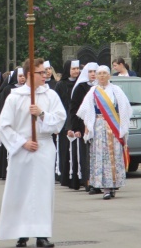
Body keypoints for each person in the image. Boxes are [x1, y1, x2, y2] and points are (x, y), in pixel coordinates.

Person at [0, 58, 66, 248]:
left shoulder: (50, 96)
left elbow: (60, 121)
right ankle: (21, 233)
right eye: (41, 72)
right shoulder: (14, 97)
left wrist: (42, 114)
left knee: (42, 192)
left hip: (44, 148)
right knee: (21, 191)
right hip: (21, 151)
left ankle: (41, 234)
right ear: (29, 75)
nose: (46, 75)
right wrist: (22, 143)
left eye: (46, 72)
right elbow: (4, 126)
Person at [77, 65, 132, 199]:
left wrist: (122, 127)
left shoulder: (116, 90)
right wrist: (88, 126)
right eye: (99, 73)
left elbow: (125, 108)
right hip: (99, 126)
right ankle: (105, 188)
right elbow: (85, 110)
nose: (102, 76)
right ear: (96, 76)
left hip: (113, 127)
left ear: (109, 75)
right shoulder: (93, 91)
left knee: (114, 155)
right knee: (101, 156)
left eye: (104, 73)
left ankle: (113, 185)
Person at [69, 62, 98, 192]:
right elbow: (74, 109)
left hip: (100, 126)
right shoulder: (80, 88)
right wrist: (75, 128)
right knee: (86, 155)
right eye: (90, 72)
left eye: (95, 71)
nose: (93, 74)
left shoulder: (101, 87)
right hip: (83, 126)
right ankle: (88, 182)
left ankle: (100, 181)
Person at [0, 68, 25, 180]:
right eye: (20, 76)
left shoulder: (28, 89)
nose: (22, 78)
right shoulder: (8, 89)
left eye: (24, 76)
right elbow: (2, 108)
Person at [55, 60, 80, 188]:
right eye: (73, 68)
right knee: (65, 150)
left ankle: (78, 176)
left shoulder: (80, 83)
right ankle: (65, 176)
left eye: (77, 68)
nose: (76, 71)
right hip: (64, 120)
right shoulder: (60, 85)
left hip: (77, 120)